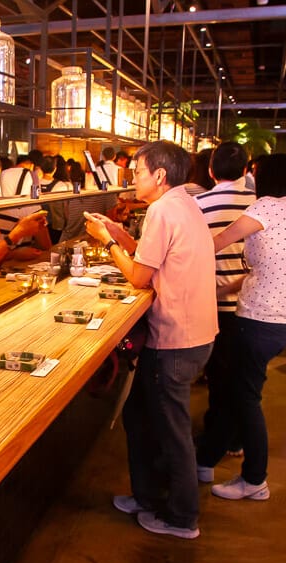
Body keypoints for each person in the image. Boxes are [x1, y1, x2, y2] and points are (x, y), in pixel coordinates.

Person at [84, 140, 218, 540]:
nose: (133, 177)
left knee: (170, 431)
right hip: (193, 334)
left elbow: (140, 277)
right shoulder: (182, 202)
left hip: (177, 339)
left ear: (159, 176)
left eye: (138, 171)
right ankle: (147, 496)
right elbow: (152, 258)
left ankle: (181, 517)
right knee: (140, 417)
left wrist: (106, 242)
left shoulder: (162, 209)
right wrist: (119, 233)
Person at [197, 153, 286, 501]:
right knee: (234, 394)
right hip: (281, 321)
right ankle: (204, 460)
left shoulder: (269, 206)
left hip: (257, 319)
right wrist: (226, 288)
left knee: (244, 399)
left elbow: (215, 242)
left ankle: (254, 479)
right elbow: (281, 273)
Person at [193, 142, 256, 459]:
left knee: (219, 376)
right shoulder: (260, 204)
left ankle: (215, 443)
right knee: (240, 376)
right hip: (250, 303)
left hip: (213, 301)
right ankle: (233, 438)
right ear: (247, 170)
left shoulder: (198, 204)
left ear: (210, 170)